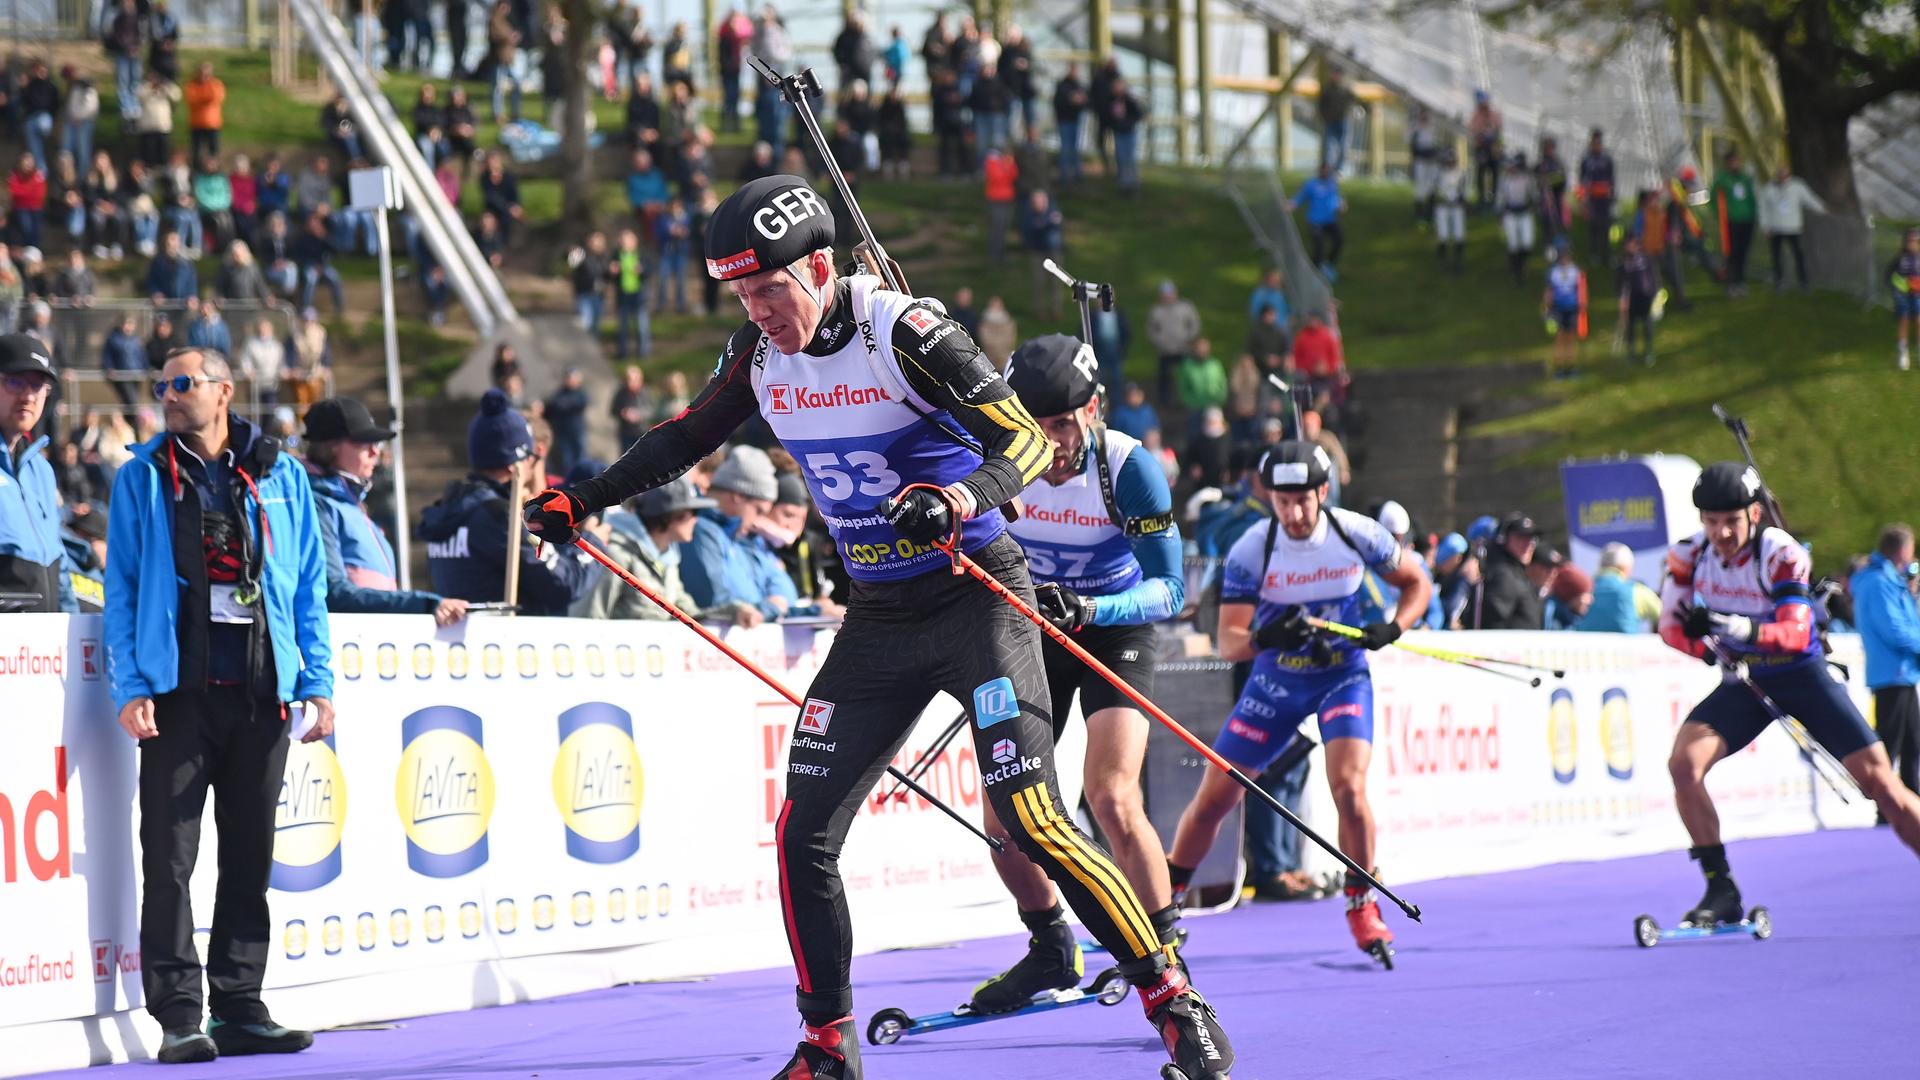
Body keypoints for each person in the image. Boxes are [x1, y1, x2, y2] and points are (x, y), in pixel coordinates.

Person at [522, 175, 1234, 1080]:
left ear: (821, 266)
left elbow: (1019, 438)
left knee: (1033, 814)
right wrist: (581, 497)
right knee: (802, 832)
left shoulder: (901, 330)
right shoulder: (759, 353)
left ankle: (1174, 1000)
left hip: (975, 600)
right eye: (743, 295)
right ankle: (827, 1046)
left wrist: (957, 496)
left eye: (772, 290)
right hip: (880, 617)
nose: (760, 311)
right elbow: (682, 438)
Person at [105, 346, 331, 1063]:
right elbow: (122, 588)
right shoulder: (141, 478)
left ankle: (239, 1004)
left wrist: (318, 680)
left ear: (223, 391)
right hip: (178, 697)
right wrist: (130, 686)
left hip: (262, 692)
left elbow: (307, 590)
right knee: (168, 858)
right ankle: (178, 1014)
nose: (169, 395)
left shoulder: (282, 473)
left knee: (249, 855)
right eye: (162, 385)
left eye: (182, 383)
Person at [971, 333, 1190, 1010]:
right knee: (1003, 814)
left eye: (1063, 424)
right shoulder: (993, 458)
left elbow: (1171, 591)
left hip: (1112, 623)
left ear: (1092, 410)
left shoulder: (1127, 469)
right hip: (1033, 628)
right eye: (1033, 425)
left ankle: (1165, 960)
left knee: (1111, 795)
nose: (1051, 443)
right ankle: (1049, 948)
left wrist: (1092, 605)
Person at [1167, 442, 1432, 962]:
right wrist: (1269, 639)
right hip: (1277, 683)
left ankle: (1360, 904)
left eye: (1302, 501)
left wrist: (1393, 627)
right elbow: (1230, 641)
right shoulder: (1252, 548)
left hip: (1340, 676)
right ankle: (1167, 904)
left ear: (1323, 493)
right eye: (1281, 501)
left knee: (1349, 787)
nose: (1292, 513)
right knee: (1216, 798)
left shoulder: (1356, 532)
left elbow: (1416, 583)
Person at [1659, 463, 1920, 928]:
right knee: (1683, 765)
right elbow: (1670, 629)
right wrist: (1702, 643)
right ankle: (1721, 887)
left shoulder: (1779, 552)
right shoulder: (1688, 555)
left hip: (1803, 677)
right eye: (1710, 520)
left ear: (1754, 514)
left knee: (1882, 786)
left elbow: (1797, 634)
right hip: (1746, 680)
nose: (1720, 532)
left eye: (1731, 521)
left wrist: (1728, 626)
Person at [420, 389, 599, 615]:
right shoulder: (498, 516)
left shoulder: (447, 509)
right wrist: (594, 540)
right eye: (529, 458)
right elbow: (564, 586)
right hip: (507, 643)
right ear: (515, 464)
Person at [302, 397, 465, 623]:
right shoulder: (318, 504)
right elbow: (334, 594)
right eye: (363, 442)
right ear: (331, 446)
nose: (374, 452)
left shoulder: (350, 504)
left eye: (375, 444)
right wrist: (423, 605)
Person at [0, 336, 71, 612]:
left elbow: (60, 567)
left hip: (43, 649)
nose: (28, 396)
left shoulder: (41, 469)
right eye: (16, 382)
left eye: (38, 386)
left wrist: (70, 633)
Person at [1851, 524, 1920, 803]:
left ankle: (1910, 800)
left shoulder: (1886, 580)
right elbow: (1894, 628)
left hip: (1900, 672)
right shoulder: (1879, 582)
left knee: (1911, 742)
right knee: (1888, 744)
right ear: (1903, 549)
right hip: (1892, 671)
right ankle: (1887, 803)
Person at [1758, 164, 1825, 292]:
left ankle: (1803, 282)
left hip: (1793, 228)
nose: (1783, 175)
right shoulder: (1770, 188)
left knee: (1798, 255)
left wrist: (1822, 208)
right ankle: (1779, 281)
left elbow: (1809, 199)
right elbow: (1763, 208)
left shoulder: (1797, 186)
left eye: (1785, 173)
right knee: (1777, 257)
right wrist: (1765, 226)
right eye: (1781, 172)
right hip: (1775, 228)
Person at [1472, 512, 1542, 629]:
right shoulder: (1503, 576)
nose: (1528, 544)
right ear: (1503, 539)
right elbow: (1493, 626)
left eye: (1531, 538)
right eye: (1520, 537)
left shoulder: (1515, 573)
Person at [1576, 541, 1659, 632]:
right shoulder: (1638, 591)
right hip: (1628, 646)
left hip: (1587, 645)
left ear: (1601, 565)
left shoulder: (1581, 590)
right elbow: (1664, 616)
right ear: (1625, 567)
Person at [1712, 149, 1758, 297]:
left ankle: (1741, 281)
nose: (1736, 164)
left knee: (1743, 253)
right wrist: (1721, 217)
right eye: (1733, 161)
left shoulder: (1745, 179)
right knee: (1732, 253)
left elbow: (1752, 198)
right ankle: (1731, 284)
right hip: (1731, 222)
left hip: (1747, 220)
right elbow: (1714, 200)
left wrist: (1754, 215)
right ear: (1727, 163)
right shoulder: (1722, 180)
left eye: (1738, 161)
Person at [1147, 280, 1201, 405]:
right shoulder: (1157, 310)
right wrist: (1159, 340)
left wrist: (1188, 337)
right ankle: (1165, 401)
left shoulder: (1185, 307)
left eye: (1170, 293)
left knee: (1185, 376)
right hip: (1165, 350)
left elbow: (1195, 323)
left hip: (1183, 348)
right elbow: (1151, 329)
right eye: (1165, 294)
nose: (1168, 297)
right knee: (1164, 377)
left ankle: (1185, 399)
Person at [1292, 163, 1346, 280]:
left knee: (1339, 241)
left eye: (1328, 171)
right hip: (1315, 222)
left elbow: (1336, 200)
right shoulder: (1311, 184)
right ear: (1319, 171)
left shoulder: (1332, 184)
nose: (1326, 173)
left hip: (1330, 221)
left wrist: (1341, 205)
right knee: (1319, 246)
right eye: (1324, 170)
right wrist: (1290, 205)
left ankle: (1328, 266)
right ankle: (1314, 272)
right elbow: (1299, 198)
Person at [1541, 245, 1587, 378]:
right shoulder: (1554, 272)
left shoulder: (1575, 271)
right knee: (1559, 337)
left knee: (1571, 337)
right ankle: (1560, 366)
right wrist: (1546, 307)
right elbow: (1549, 291)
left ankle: (1571, 365)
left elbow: (1581, 289)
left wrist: (1582, 304)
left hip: (1572, 309)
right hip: (1558, 309)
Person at [1617, 232, 1660, 364]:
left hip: (1645, 297)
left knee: (1647, 325)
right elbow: (1620, 283)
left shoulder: (1645, 259)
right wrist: (1622, 299)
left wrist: (1654, 293)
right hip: (1631, 299)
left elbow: (1653, 277)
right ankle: (1632, 353)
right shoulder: (1624, 263)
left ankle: (1649, 351)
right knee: (1631, 327)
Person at [544, 367, 590, 478]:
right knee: (566, 462)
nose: (570, 380)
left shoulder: (580, 393)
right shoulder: (560, 393)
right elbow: (553, 405)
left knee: (581, 458)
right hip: (563, 433)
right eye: (569, 378)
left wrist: (564, 404)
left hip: (577, 432)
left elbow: (580, 403)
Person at [1498, 153, 1537, 284]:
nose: (1511, 170)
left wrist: (1535, 203)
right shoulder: (1504, 180)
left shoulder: (1527, 178)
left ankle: (1523, 264)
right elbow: (1500, 198)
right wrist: (1500, 214)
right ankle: (1516, 270)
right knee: (1513, 243)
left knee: (1527, 242)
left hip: (1525, 212)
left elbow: (1534, 194)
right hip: (1511, 213)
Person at [1577, 128, 1615, 260]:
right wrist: (1582, 200)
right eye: (1595, 142)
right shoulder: (1586, 160)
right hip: (1592, 199)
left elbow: (1612, 179)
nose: (1597, 144)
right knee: (1593, 226)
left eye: (1599, 142)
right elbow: (1581, 181)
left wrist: (1613, 198)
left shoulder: (1607, 159)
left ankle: (1606, 253)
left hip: (1604, 199)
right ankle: (1594, 253)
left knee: (1605, 226)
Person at [1887, 227, 1920, 371]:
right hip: (1903, 295)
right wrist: (1896, 289)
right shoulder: (1900, 258)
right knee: (1904, 319)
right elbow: (1888, 276)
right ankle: (1903, 352)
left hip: (1917, 294)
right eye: (1910, 241)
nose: (1913, 243)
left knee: (1919, 320)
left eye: (1915, 241)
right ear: (1905, 243)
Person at [1433, 146, 1467, 272]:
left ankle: (1458, 261)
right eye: (1448, 161)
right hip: (1443, 207)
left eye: (1452, 161)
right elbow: (1435, 192)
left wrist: (1462, 202)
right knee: (1443, 234)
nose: (1450, 163)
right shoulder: (1439, 174)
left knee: (1459, 234)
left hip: (1456, 207)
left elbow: (1464, 193)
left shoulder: (1460, 174)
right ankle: (1443, 261)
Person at [1316, 66, 1354, 172]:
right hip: (1330, 122)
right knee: (1329, 148)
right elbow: (1321, 105)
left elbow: (1353, 100)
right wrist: (1325, 118)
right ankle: (1328, 170)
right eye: (1333, 73)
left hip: (1343, 121)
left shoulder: (1346, 89)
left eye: (1337, 74)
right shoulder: (1327, 89)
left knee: (1343, 147)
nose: (1335, 76)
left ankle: (1338, 170)